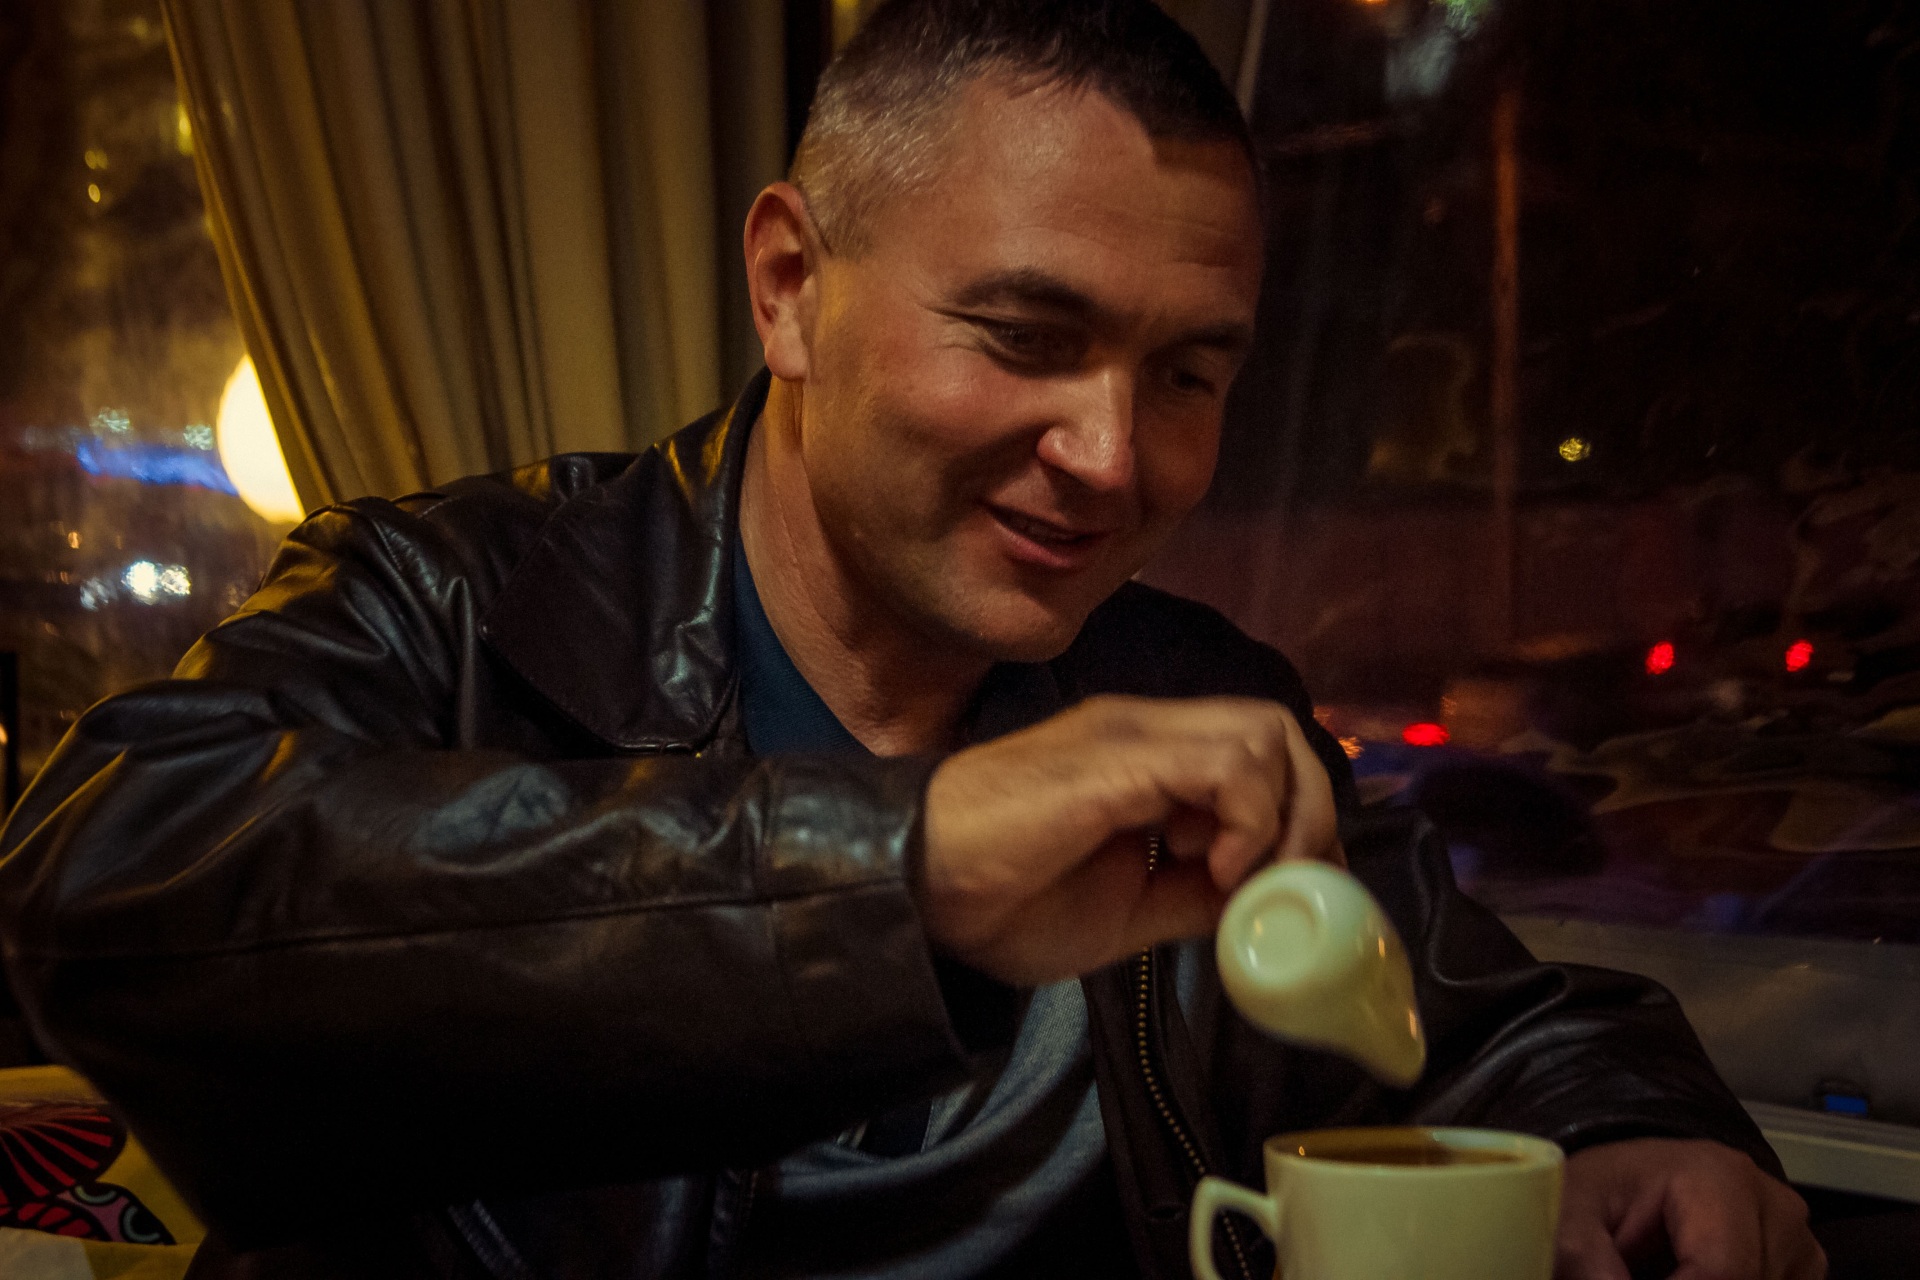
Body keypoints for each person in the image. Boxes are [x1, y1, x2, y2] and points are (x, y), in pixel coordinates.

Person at [0, 3, 1822, 1278]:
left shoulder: (1191, 694)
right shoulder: (457, 605)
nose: (1114, 457)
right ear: (792, 286)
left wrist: (1636, 1130)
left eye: (1189, 375)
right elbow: (110, 879)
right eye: (1027, 338)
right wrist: (905, 868)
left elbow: (1483, 1020)